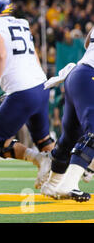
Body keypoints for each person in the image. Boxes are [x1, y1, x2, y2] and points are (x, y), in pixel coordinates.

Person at [0, 0, 54, 189]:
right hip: (40, 84)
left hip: (23, 90)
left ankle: (39, 160)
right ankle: (60, 182)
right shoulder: (22, 23)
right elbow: (34, 57)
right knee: (44, 139)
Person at [40, 27, 94, 202]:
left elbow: (88, 43)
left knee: (70, 137)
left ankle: (52, 184)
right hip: (89, 76)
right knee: (92, 132)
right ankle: (69, 183)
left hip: (77, 74)